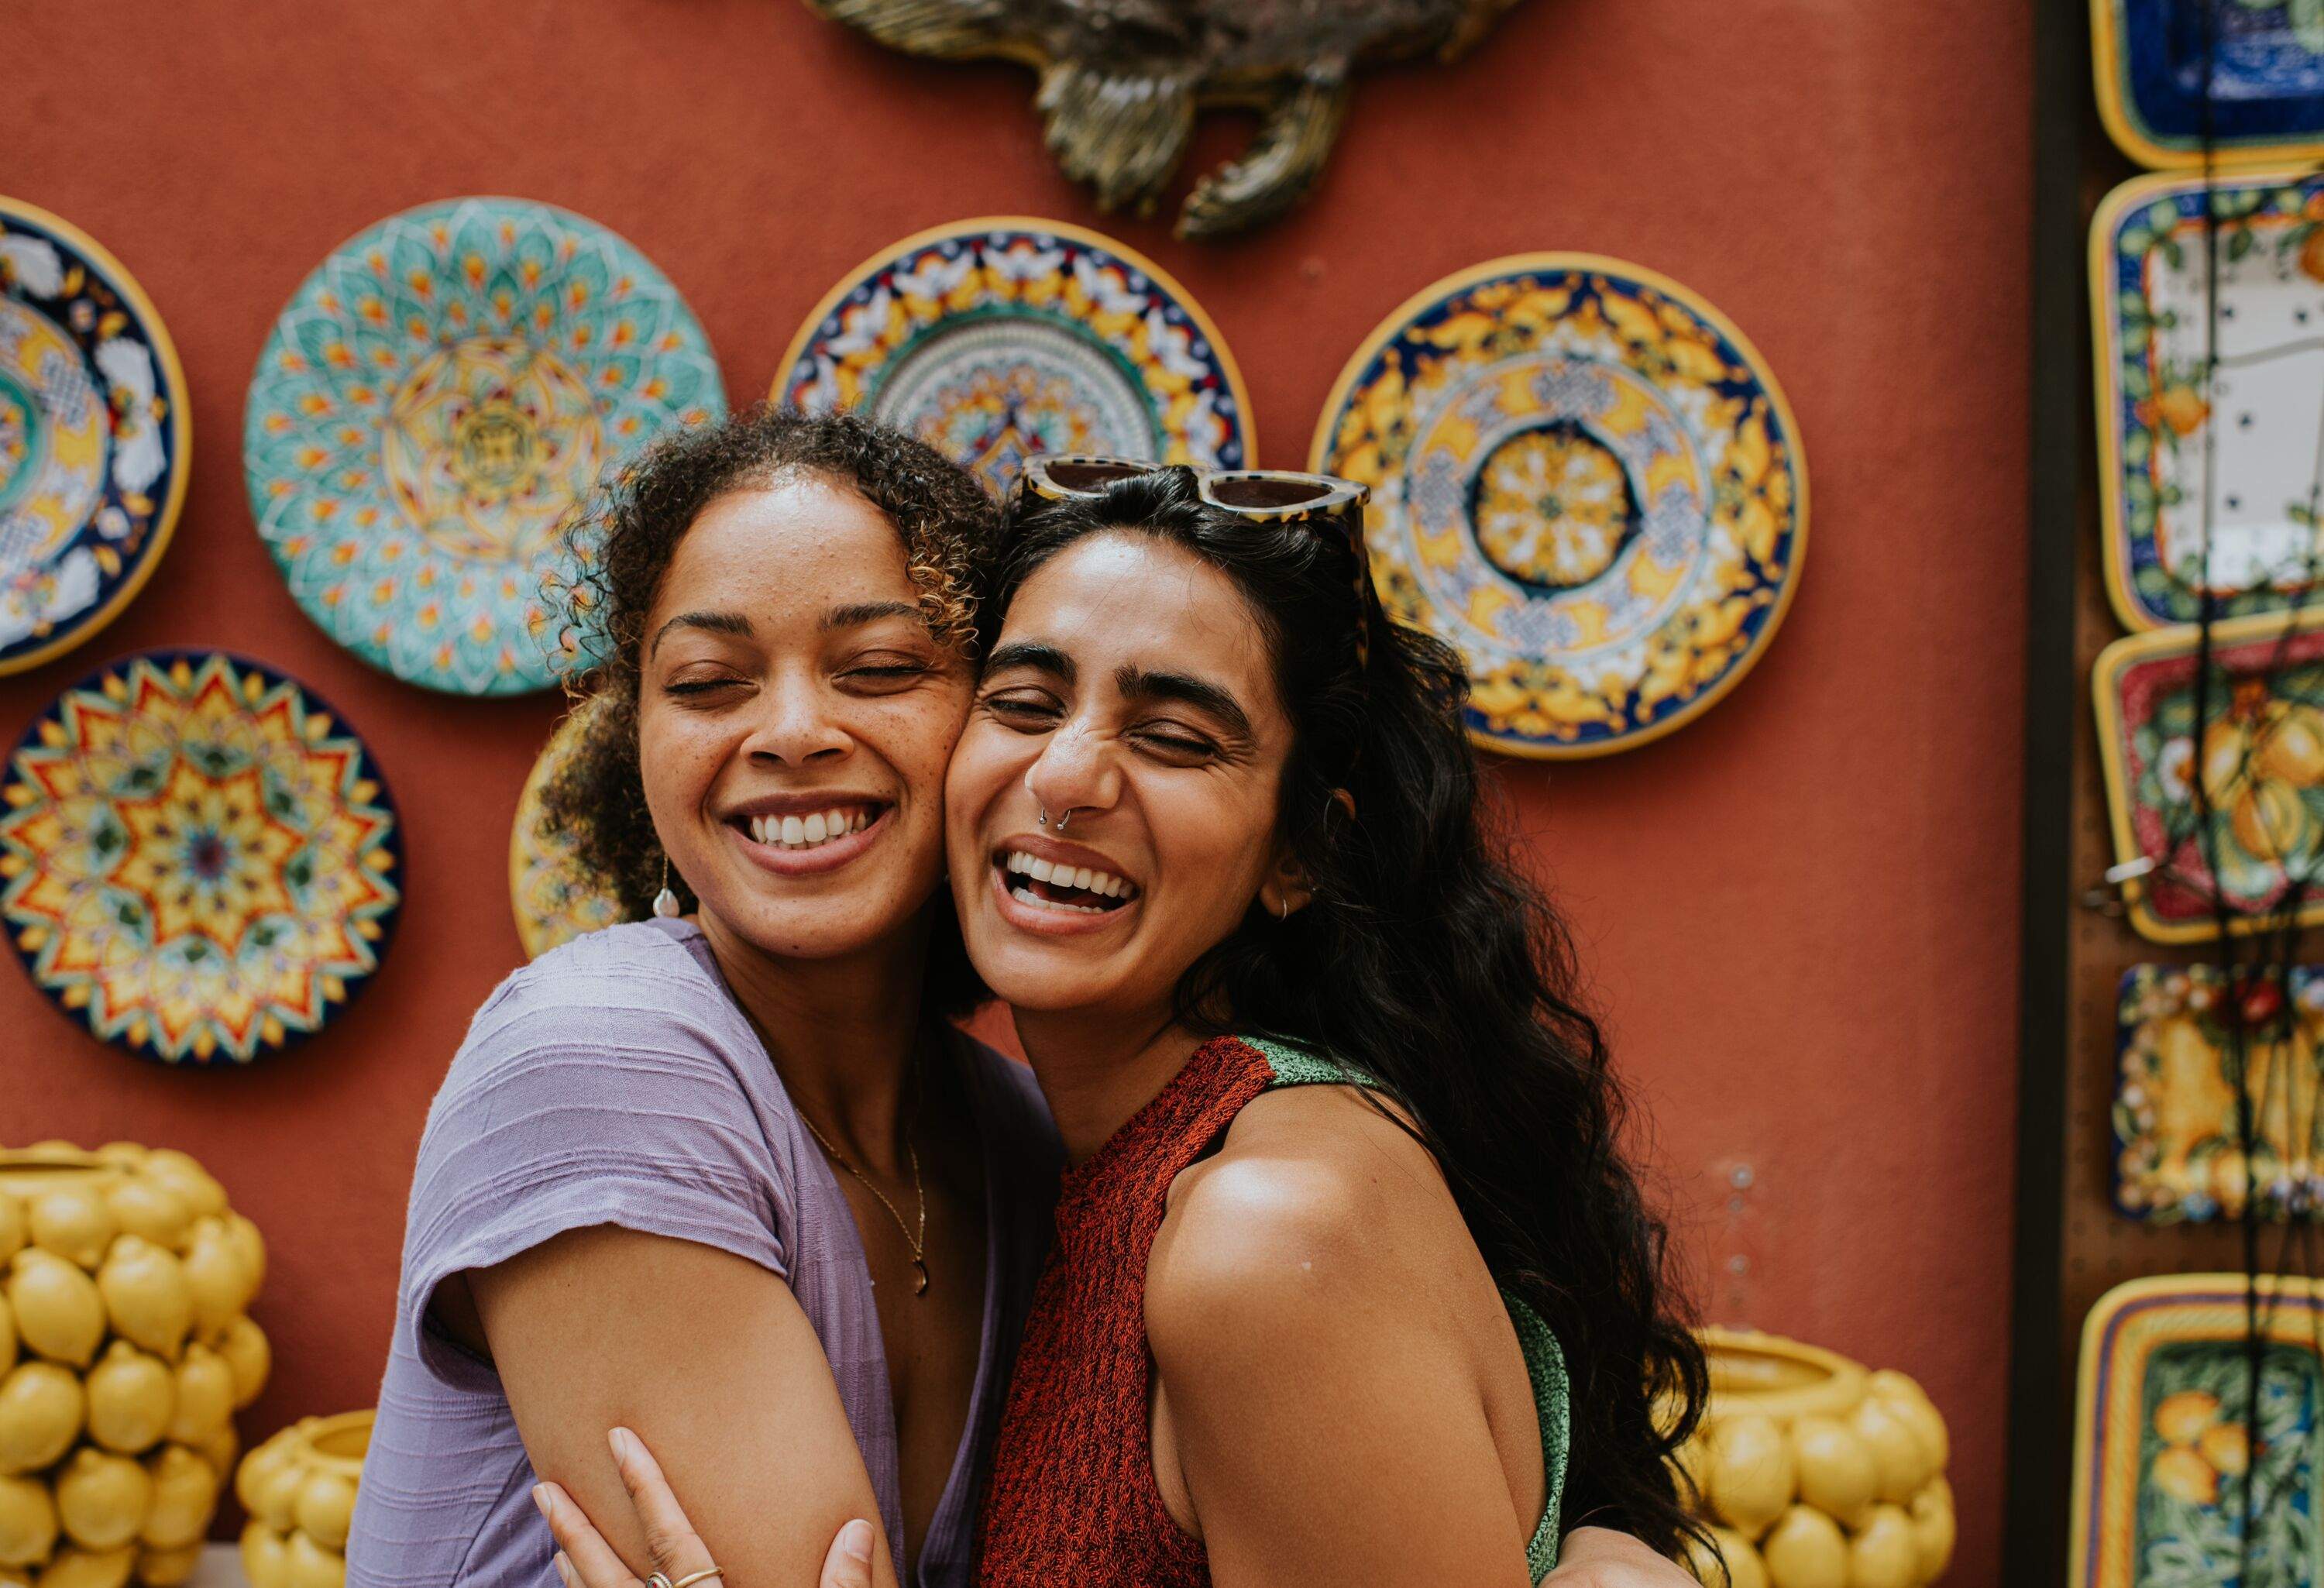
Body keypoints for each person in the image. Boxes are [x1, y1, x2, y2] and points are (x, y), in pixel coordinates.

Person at [534, 458, 1710, 1588]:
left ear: (1300, 851)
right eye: (1027, 703)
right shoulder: (1085, 1168)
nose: (1069, 776)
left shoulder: (1263, 1230)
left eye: (1174, 737)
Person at [345, 409, 1061, 1588]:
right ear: (638, 735)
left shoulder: (1023, 1144)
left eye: (879, 668)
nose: (788, 732)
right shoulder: (599, 1060)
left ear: (993, 715)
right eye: (708, 682)